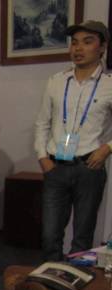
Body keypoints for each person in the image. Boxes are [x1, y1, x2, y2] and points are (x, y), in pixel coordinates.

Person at [34, 20, 112, 262]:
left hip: (90, 168)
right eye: (74, 42)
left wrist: (107, 148)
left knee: (82, 237)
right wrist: (42, 158)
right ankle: (51, 278)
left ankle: (75, 282)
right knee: (50, 236)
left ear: (102, 47)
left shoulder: (109, 85)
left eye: (87, 42)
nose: (78, 48)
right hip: (56, 167)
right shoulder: (56, 81)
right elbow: (42, 123)